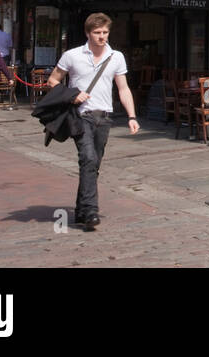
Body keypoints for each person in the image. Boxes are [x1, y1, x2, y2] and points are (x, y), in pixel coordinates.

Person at [47, 12, 140, 231]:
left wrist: (132, 116)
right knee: (88, 159)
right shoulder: (72, 55)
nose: (102, 37)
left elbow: (123, 88)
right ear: (88, 33)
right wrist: (72, 95)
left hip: (105, 117)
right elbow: (52, 81)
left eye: (105, 32)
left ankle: (80, 209)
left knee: (93, 164)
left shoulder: (116, 57)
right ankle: (90, 211)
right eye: (97, 32)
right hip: (81, 116)